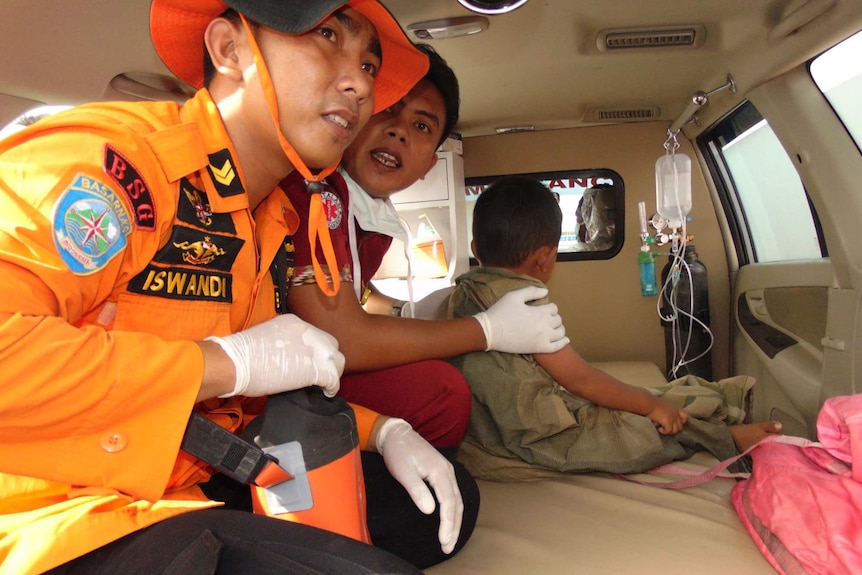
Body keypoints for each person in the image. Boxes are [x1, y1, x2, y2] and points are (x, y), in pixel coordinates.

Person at [0, 1, 465, 574]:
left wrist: (381, 431)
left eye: (369, 66)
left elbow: (246, 398)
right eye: (325, 36)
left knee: (442, 508)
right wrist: (222, 363)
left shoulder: (270, 222)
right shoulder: (116, 166)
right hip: (51, 516)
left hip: (188, 480)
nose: (359, 84)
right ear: (230, 50)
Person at [278, 45, 568, 567]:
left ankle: (388, 476)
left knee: (440, 393)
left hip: (297, 377)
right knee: (440, 391)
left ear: (429, 163)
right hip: (270, 391)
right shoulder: (316, 193)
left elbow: (342, 298)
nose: (397, 132)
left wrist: (389, 309)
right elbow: (342, 332)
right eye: (387, 111)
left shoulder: (362, 213)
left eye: (420, 125)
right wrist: (484, 330)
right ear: (354, 118)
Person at [445, 175, 784, 480]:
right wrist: (651, 409)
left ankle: (709, 405)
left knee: (636, 397)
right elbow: (581, 379)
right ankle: (725, 436)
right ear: (546, 258)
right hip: (535, 439)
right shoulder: (525, 305)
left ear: (475, 251)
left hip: (492, 430)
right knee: (635, 432)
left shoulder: (462, 295)